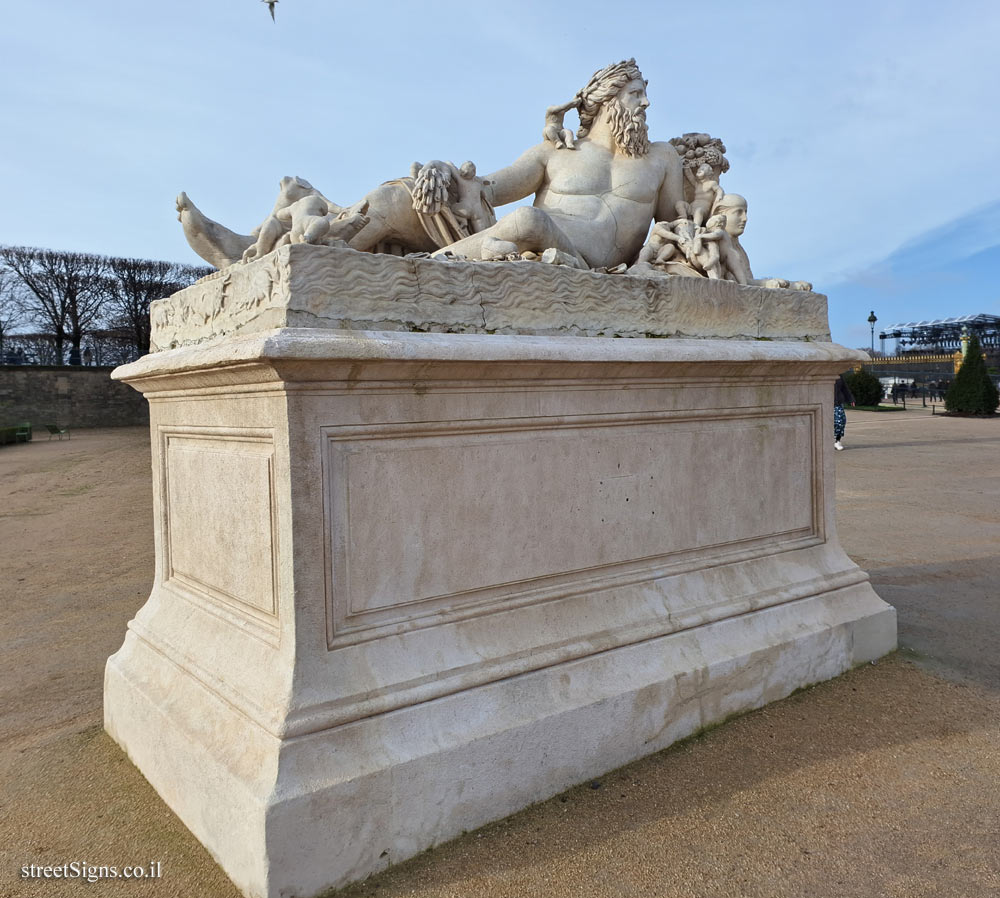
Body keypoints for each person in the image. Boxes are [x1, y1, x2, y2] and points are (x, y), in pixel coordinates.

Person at [834, 375, 855, 451]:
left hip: (838, 403)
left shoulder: (839, 376)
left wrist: (851, 399)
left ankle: (837, 441)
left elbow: (845, 388)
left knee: (841, 421)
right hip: (826, 402)